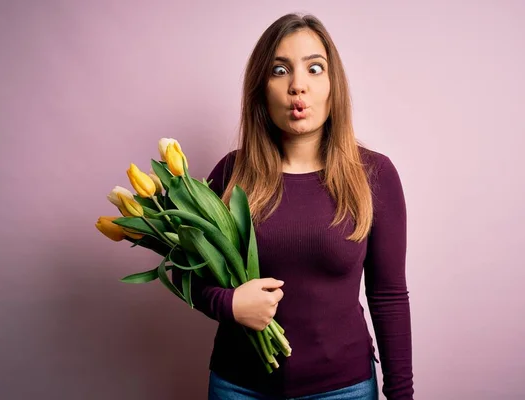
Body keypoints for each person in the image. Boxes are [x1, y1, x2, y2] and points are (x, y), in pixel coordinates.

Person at [174, 12, 414, 400]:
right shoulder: (231, 174)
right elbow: (189, 275)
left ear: (333, 86)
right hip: (239, 388)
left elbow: (388, 296)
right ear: (260, 89)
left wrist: (402, 395)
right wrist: (230, 303)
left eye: (315, 69)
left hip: (344, 390)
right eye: (280, 70)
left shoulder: (374, 175)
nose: (297, 86)